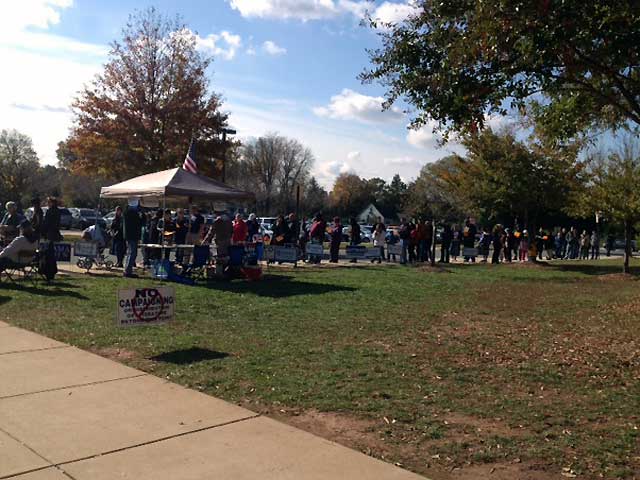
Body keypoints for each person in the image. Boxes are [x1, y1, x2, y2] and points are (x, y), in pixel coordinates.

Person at [123, 200, 142, 278]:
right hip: (132, 235)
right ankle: (128, 271)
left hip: (129, 235)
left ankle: (127, 270)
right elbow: (139, 223)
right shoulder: (133, 214)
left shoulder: (126, 213)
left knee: (130, 252)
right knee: (132, 253)